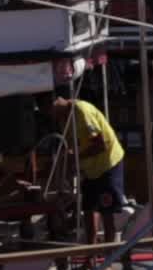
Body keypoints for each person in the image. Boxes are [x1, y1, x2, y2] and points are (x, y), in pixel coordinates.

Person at [47, 94, 125, 244]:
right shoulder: (63, 119)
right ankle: (91, 256)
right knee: (89, 210)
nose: (50, 115)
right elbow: (72, 146)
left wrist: (76, 157)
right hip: (90, 170)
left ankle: (108, 258)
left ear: (57, 101)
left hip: (107, 164)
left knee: (107, 213)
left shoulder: (82, 111)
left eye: (49, 110)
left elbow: (100, 145)